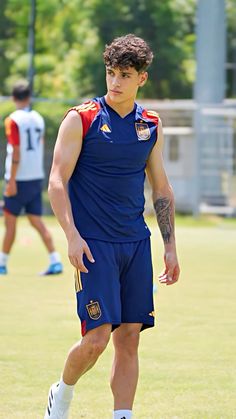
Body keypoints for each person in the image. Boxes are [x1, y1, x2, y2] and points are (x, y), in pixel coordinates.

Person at [44, 34, 180, 419]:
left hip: (136, 244)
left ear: (142, 78)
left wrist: (170, 246)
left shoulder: (150, 125)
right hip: (93, 247)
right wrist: (71, 236)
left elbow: (161, 188)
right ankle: (62, 393)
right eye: (110, 73)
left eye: (124, 74)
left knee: (130, 338)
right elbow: (57, 180)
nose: (115, 82)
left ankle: (123, 414)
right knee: (96, 340)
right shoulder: (81, 118)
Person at [0, 80, 63, 276]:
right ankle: (55, 260)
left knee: (10, 222)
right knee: (36, 221)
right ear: (29, 98)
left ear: (13, 98)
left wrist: (11, 181)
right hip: (36, 177)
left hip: (18, 179)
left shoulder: (12, 120)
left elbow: (16, 151)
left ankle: (2, 264)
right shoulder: (38, 118)